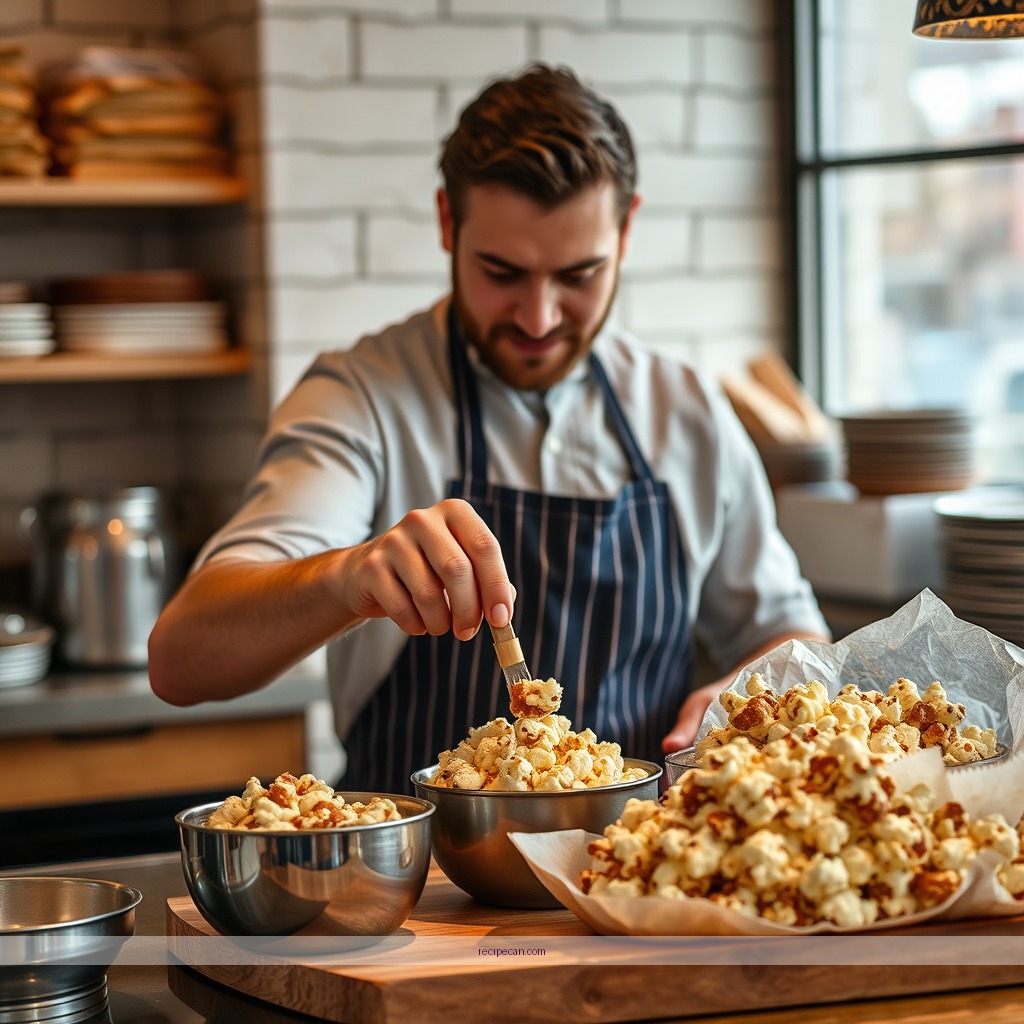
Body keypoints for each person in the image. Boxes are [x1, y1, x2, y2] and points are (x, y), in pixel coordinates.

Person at [148, 62, 830, 792]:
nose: (539, 318)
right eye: (502, 272)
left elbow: (796, 639)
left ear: (627, 229)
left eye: (578, 275)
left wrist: (745, 697)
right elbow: (182, 661)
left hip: (639, 880)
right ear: (447, 223)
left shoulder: (686, 411)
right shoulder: (360, 398)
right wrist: (346, 575)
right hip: (420, 885)